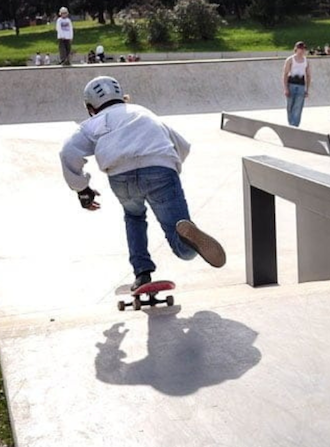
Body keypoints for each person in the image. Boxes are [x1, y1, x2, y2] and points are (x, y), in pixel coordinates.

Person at [60, 76, 226, 291]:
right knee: (178, 232)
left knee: (134, 216)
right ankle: (189, 242)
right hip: (160, 169)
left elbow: (68, 152)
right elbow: (182, 144)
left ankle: (142, 273)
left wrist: (82, 189)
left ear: (91, 108)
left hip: (121, 177)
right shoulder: (143, 112)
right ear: (123, 98)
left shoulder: (93, 123)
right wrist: (169, 168)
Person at [283, 41, 311, 127]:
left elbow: (308, 75)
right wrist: (286, 88)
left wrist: (307, 89)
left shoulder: (306, 61)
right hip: (291, 83)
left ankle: (295, 124)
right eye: (300, 48)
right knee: (290, 106)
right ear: (296, 49)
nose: (302, 51)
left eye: (303, 49)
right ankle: (291, 123)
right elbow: (285, 74)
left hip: (301, 85)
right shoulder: (290, 60)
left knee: (298, 107)